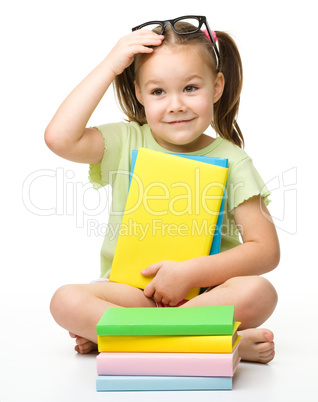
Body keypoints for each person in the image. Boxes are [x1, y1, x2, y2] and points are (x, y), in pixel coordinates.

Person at [45, 16, 280, 363]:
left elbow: (266, 251)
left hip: (207, 296)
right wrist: (111, 65)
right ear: (139, 93)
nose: (176, 105)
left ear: (216, 87)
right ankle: (218, 341)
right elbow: (59, 138)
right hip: (131, 293)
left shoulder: (234, 160)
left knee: (261, 292)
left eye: (190, 88)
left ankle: (126, 335)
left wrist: (189, 273)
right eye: (158, 91)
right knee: (63, 300)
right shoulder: (126, 141)